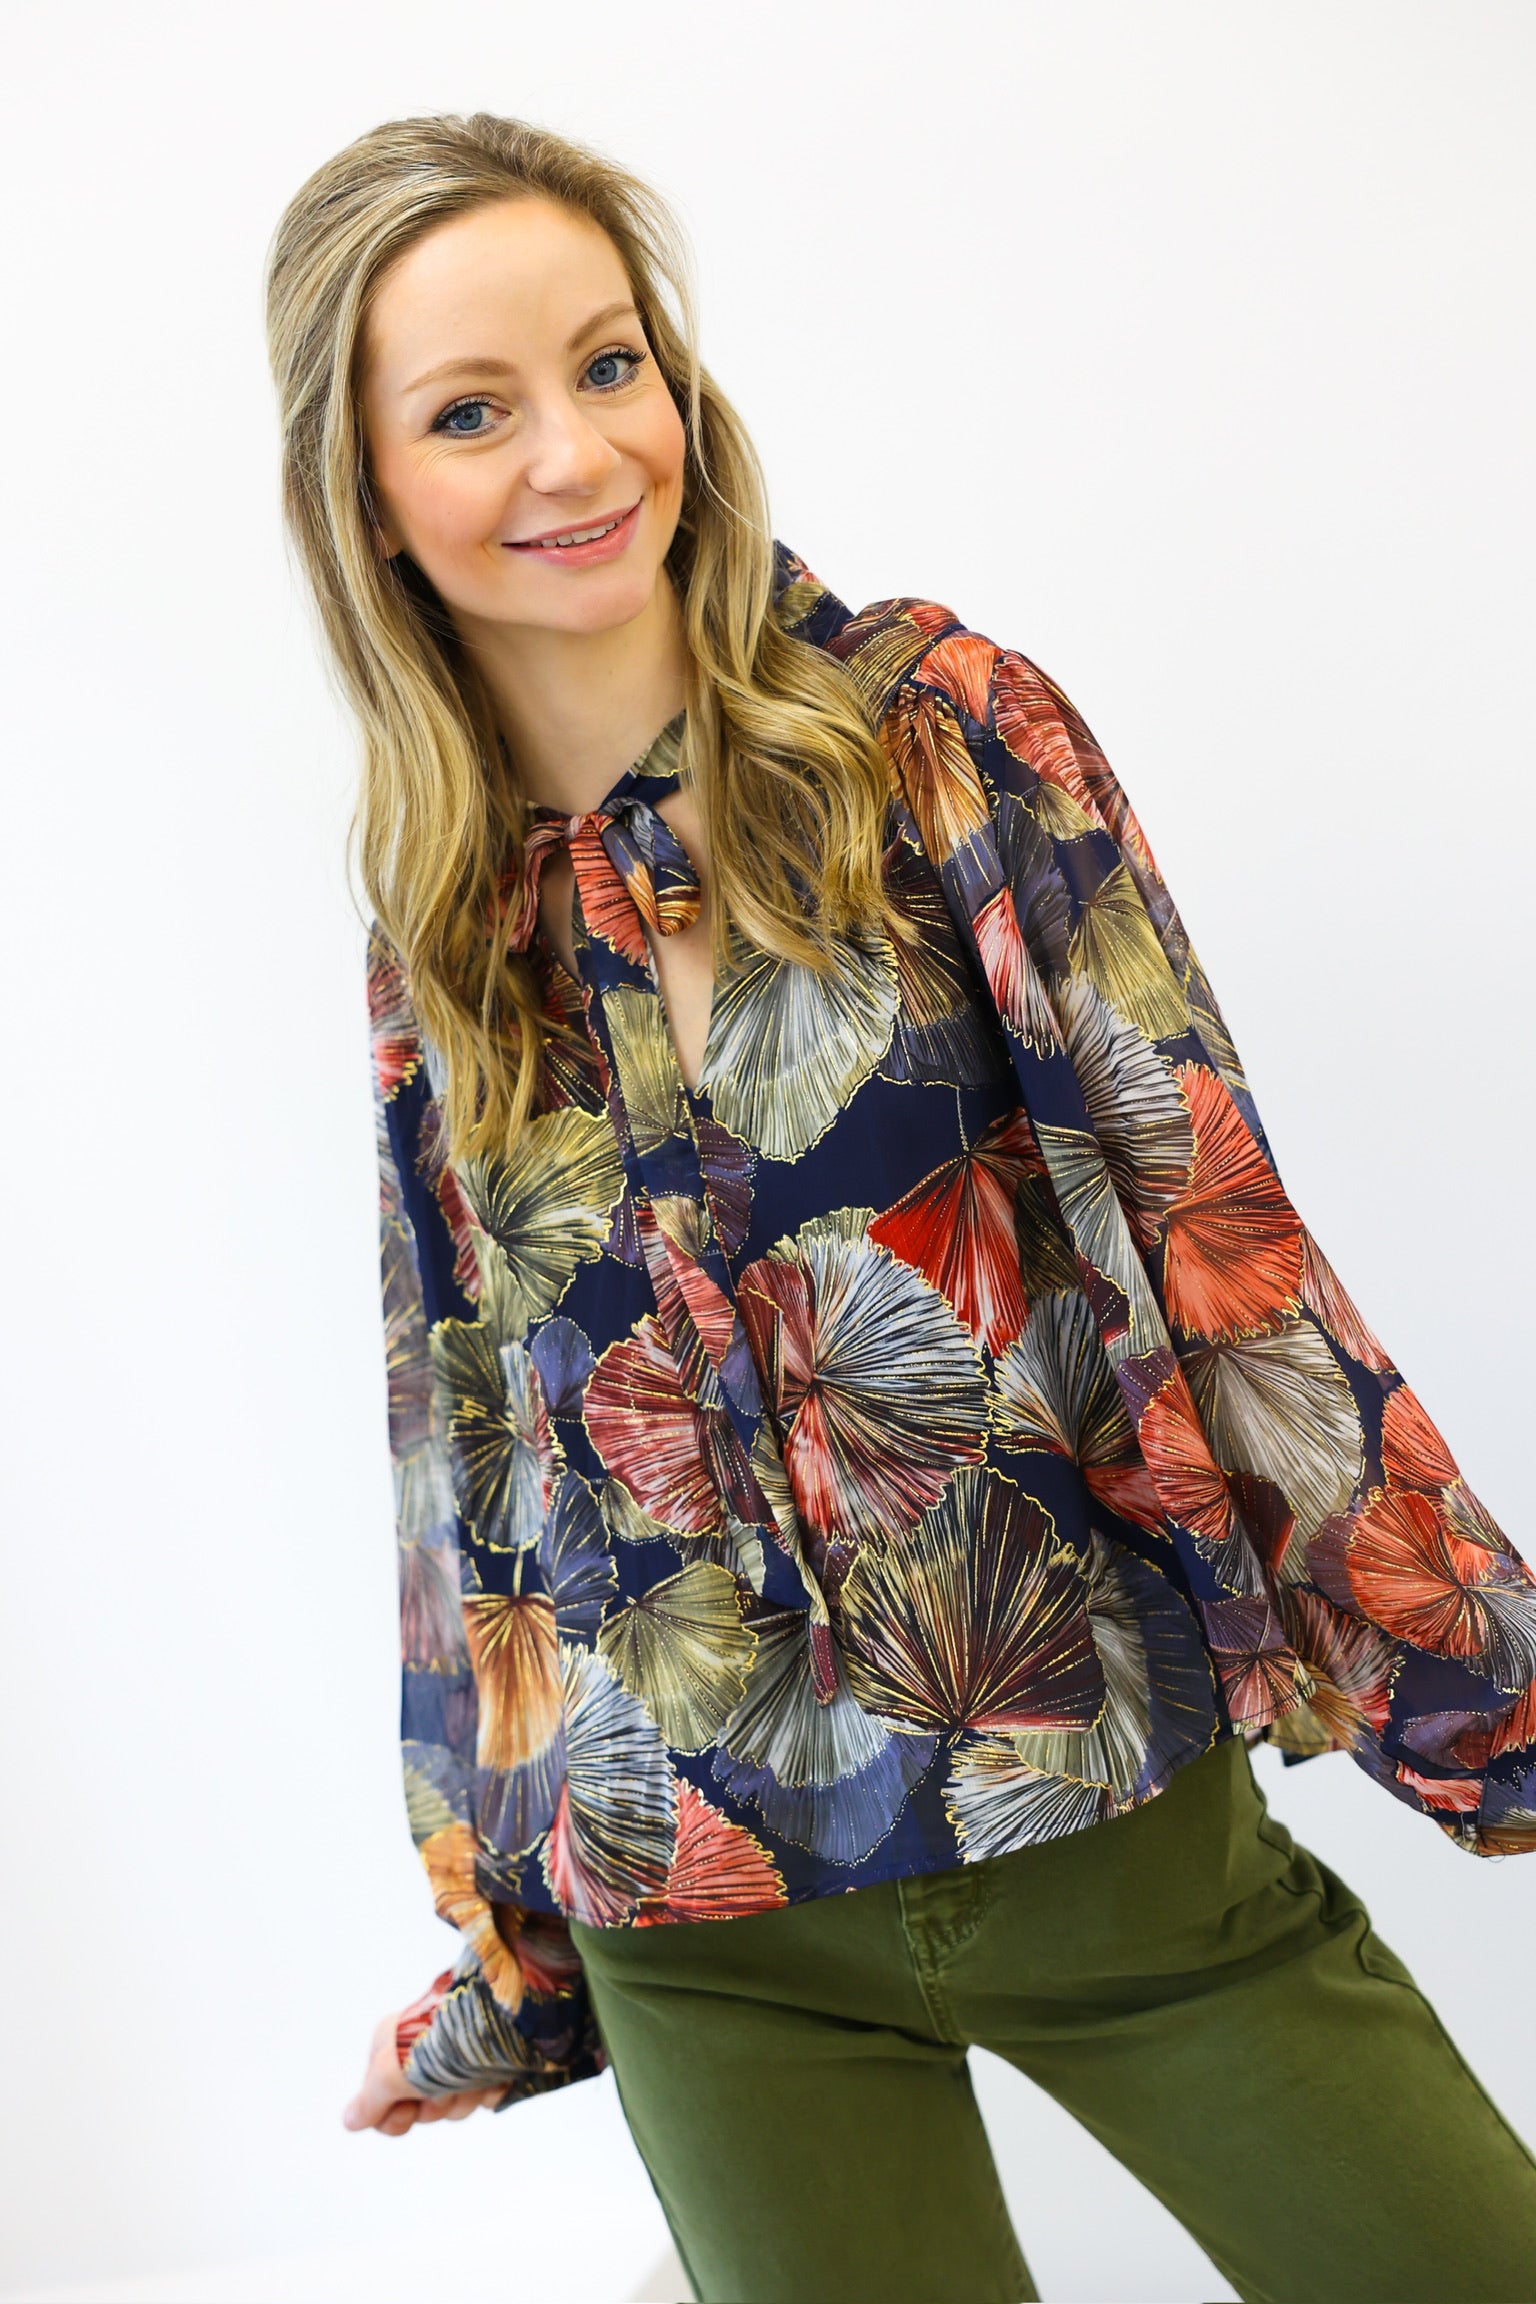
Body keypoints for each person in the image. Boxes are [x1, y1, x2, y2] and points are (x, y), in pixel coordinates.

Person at [263, 111, 1536, 2304]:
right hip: (703, 1942)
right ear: (365, 494)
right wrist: (505, 1960)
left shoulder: (931, 736)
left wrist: (1488, 1696)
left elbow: (1218, 1238)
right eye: (471, 411)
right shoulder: (439, 913)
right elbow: (466, 1462)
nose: (577, 452)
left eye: (609, 363)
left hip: (1104, 1844)